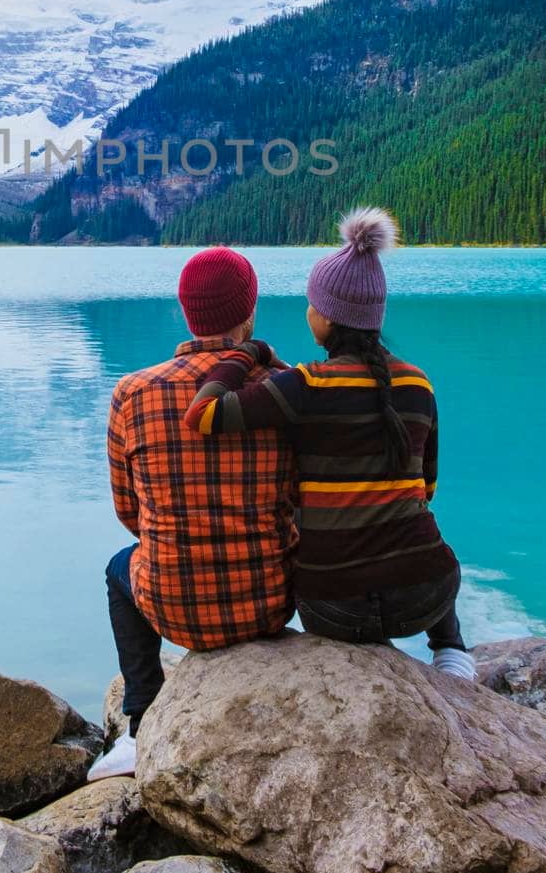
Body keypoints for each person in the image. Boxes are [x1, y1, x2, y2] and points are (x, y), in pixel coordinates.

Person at [183, 207, 475, 680]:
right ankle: (451, 651)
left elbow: (206, 413)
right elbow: (428, 489)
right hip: (426, 597)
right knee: (414, 518)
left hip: (333, 611)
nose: (308, 311)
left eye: (312, 304)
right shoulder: (419, 383)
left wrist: (247, 352)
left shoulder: (306, 385)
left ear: (326, 319)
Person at [88, 246, 298, 780]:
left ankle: (140, 727)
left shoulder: (132, 394)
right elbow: (304, 499)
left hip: (173, 607)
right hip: (271, 604)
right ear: (250, 311)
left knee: (120, 569)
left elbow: (129, 513)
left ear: (186, 312)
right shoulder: (287, 387)